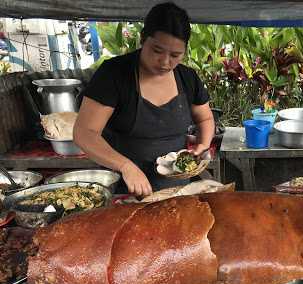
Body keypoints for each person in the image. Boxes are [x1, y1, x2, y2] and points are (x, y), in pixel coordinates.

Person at [74, 2, 214, 196]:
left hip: (178, 190)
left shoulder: (188, 78)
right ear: (142, 39)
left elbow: (205, 119)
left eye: (175, 55)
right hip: (125, 189)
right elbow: (85, 133)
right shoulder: (114, 74)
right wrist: (125, 166)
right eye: (157, 50)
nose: (165, 62)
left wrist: (202, 145)